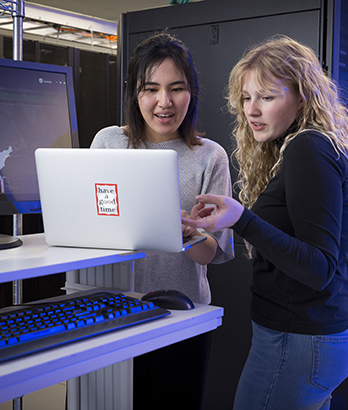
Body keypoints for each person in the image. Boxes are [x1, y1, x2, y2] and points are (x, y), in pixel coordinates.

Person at [182, 35, 348, 410]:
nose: (252, 110)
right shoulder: (307, 145)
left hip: (299, 340)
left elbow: (318, 268)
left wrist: (242, 219)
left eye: (266, 97)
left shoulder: (308, 148)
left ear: (302, 96)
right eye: (246, 98)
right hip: (317, 336)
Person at [90, 32, 235, 409]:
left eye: (176, 89)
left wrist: (188, 232)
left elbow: (210, 255)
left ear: (192, 93)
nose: (163, 102)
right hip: (112, 312)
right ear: (135, 94)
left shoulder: (210, 157)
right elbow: (88, 225)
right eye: (150, 88)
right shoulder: (108, 143)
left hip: (182, 315)